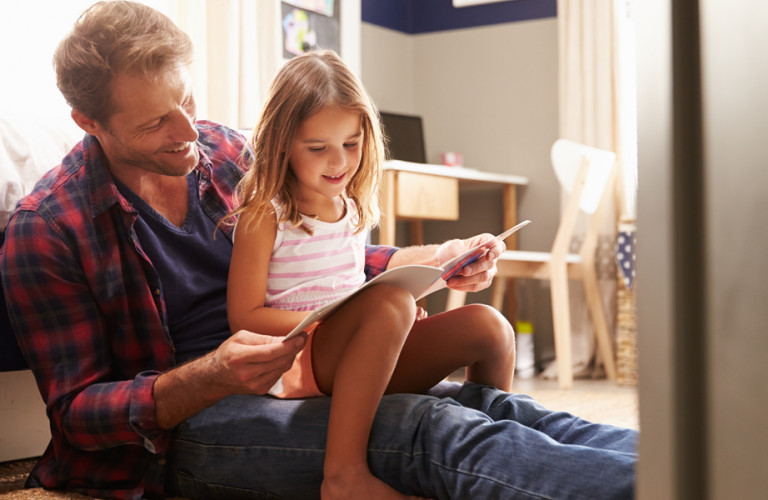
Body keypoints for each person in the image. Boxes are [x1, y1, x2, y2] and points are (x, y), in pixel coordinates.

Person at [0, 2, 637, 499]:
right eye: (155, 123)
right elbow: (76, 415)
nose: (189, 131)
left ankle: (702, 463)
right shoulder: (47, 231)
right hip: (193, 426)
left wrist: (432, 260)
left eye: (187, 101)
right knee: (433, 432)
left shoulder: (226, 154)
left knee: (495, 406)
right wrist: (207, 376)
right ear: (89, 121)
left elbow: (321, 259)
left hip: (312, 359)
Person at [225, 50, 516, 499]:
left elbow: (352, 282)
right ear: (282, 144)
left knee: (489, 327)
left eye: (352, 143)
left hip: (356, 350)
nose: (339, 161)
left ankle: (489, 450)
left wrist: (394, 314)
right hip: (299, 360)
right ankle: (343, 476)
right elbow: (244, 318)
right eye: (318, 148)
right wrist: (349, 318)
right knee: (387, 304)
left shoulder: (353, 207)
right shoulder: (266, 213)